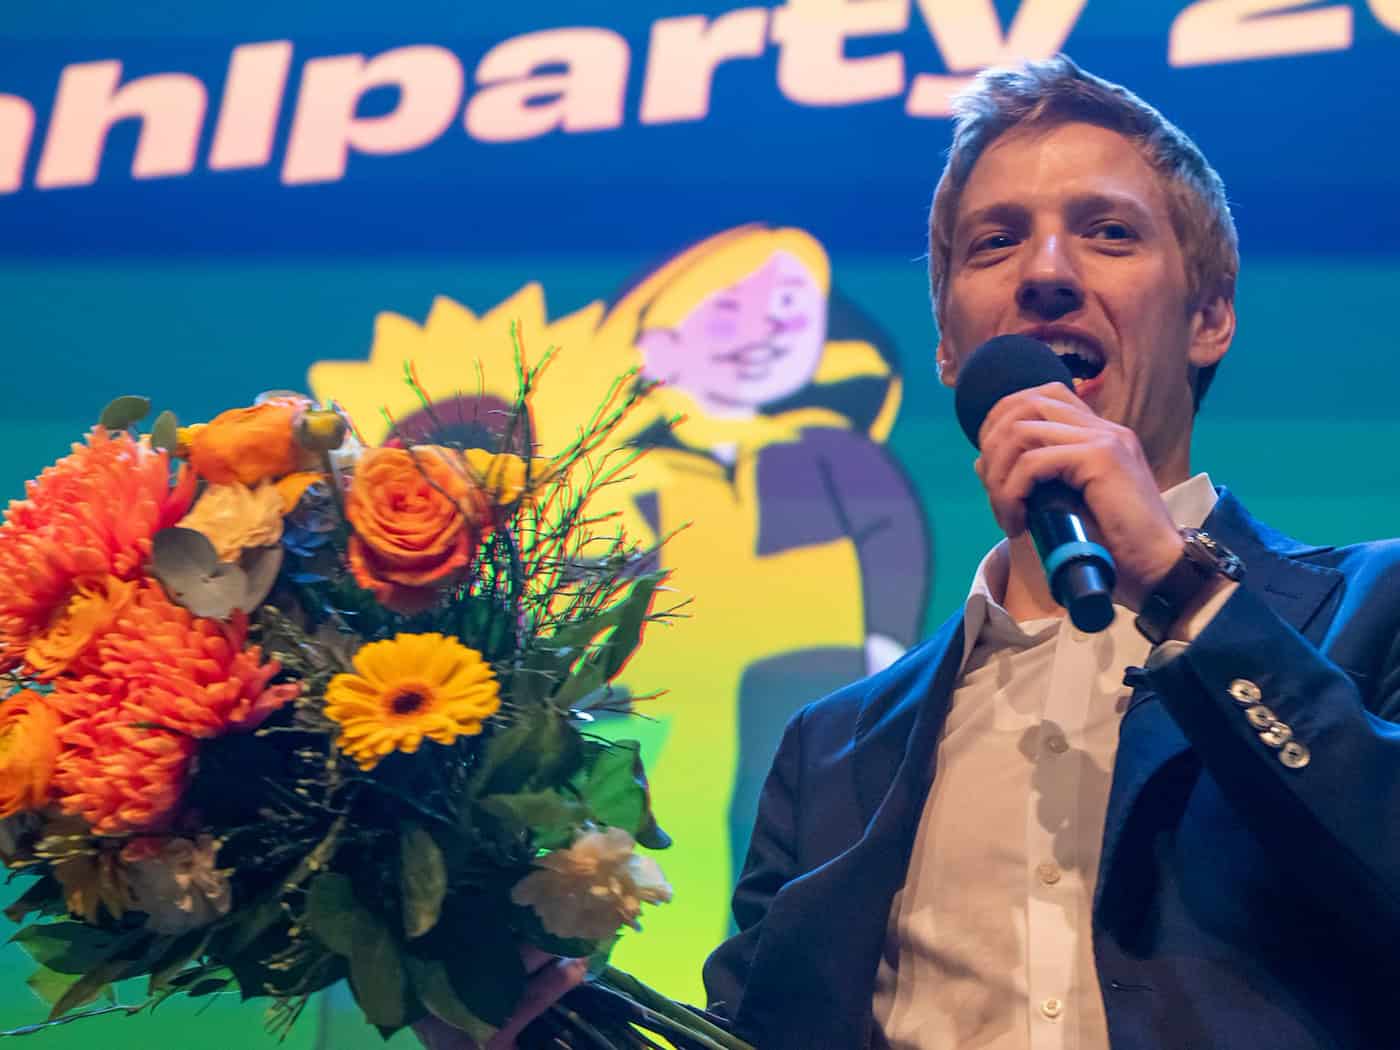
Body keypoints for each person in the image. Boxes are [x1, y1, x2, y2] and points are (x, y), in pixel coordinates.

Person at [423, 54, 1400, 1050]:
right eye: (994, 242)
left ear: (1207, 317)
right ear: (947, 348)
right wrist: (514, 1021)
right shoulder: (832, 749)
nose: (1046, 272)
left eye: (1107, 233)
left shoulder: (1368, 611)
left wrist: (1180, 587)